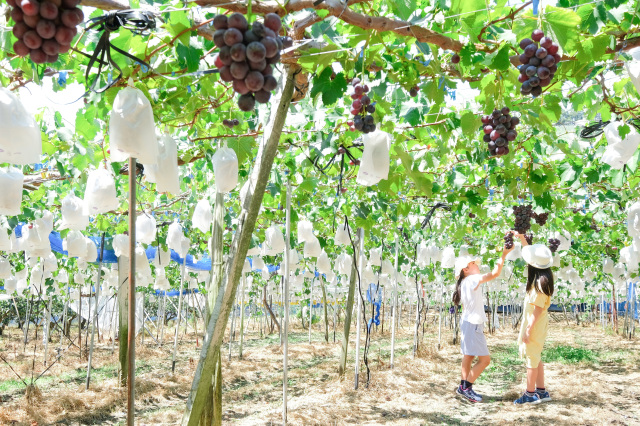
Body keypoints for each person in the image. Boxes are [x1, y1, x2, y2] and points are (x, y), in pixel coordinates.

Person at [452, 242, 513, 403]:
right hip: (472, 324)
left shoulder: (465, 283)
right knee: (485, 360)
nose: (477, 265)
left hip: (468, 323)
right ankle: (466, 387)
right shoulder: (472, 280)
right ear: (466, 269)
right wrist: (504, 255)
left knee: (469, 356)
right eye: (473, 263)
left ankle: (463, 387)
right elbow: (494, 273)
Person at [512, 233, 555, 405]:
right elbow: (529, 255)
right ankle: (541, 391)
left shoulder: (538, 286)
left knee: (531, 358)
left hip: (535, 324)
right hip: (538, 323)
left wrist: (528, 331)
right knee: (536, 357)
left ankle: (530, 395)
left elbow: (536, 311)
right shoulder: (544, 279)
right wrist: (522, 238)